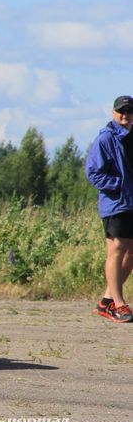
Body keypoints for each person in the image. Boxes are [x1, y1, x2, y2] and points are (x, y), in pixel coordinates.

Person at [85, 95, 133, 323]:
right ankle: (120, 303)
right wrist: (117, 185)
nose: (125, 115)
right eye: (121, 111)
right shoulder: (106, 138)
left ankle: (106, 301)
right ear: (113, 113)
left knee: (130, 252)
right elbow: (93, 172)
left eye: (129, 111)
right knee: (117, 249)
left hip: (131, 202)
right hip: (115, 203)